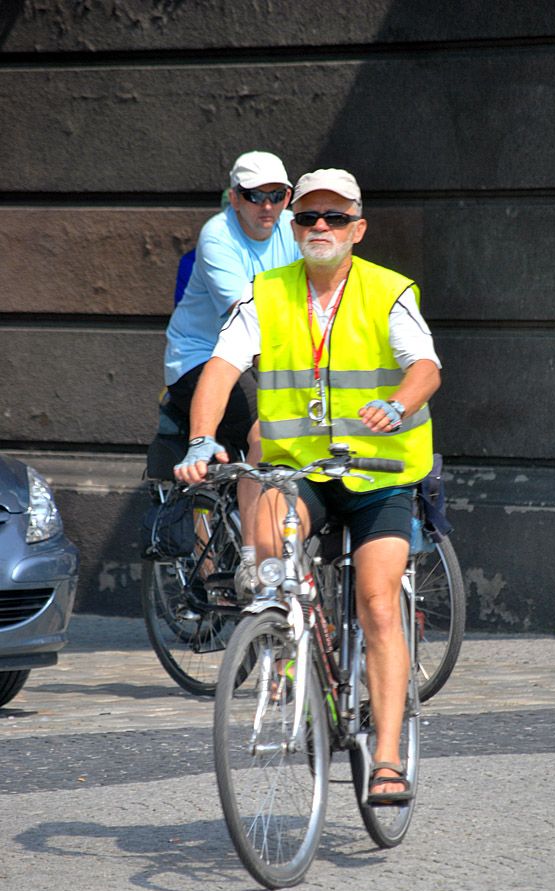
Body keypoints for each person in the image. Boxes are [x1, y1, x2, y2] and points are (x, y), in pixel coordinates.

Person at [175, 168, 441, 804]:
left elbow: (425, 368)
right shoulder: (267, 293)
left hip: (381, 475)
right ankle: (285, 641)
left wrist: (398, 406)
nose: (320, 228)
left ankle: (385, 760)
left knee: (377, 600)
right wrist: (201, 439)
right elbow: (221, 367)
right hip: (304, 471)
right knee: (268, 546)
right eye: (308, 218)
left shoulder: (388, 291)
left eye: (335, 218)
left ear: (358, 228)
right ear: (294, 227)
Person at [166, 150, 302, 591]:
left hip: (272, 348)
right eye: (254, 195)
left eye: (277, 195)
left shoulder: (295, 227)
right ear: (234, 198)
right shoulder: (217, 236)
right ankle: (250, 560)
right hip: (204, 356)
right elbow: (245, 318)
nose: (267, 206)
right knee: (262, 431)